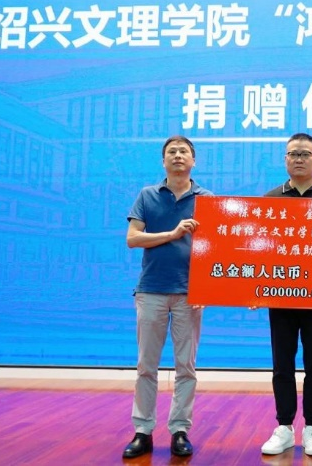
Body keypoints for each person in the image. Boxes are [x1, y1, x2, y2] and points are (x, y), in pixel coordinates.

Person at [121, 135, 212, 459]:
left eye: (183, 151)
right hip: (151, 290)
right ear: (163, 161)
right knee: (146, 366)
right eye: (171, 151)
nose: (177, 155)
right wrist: (172, 234)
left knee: (186, 367)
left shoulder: (207, 199)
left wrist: (206, 288)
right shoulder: (147, 195)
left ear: (193, 160)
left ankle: (180, 430)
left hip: (190, 293)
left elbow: (215, 249)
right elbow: (133, 239)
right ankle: (142, 431)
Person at [259, 133, 312, 457]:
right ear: (285, 159)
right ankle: (283, 426)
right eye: (293, 154)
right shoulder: (271, 197)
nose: (299, 159)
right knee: (282, 363)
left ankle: (311, 428)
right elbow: (261, 247)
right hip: (281, 295)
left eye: (305, 154)